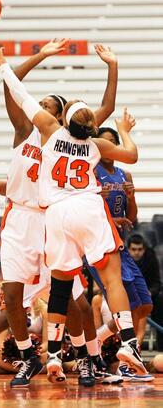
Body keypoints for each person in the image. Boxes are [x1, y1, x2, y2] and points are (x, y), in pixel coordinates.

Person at [0, 39, 119, 388]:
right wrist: (38, 55)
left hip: (53, 221)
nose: (37, 105)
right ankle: (27, 359)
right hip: (20, 220)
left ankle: (90, 358)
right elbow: (12, 84)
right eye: (37, 102)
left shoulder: (68, 138)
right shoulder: (24, 132)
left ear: (58, 115)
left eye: (46, 105)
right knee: (12, 297)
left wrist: (111, 66)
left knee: (76, 304)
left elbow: (106, 108)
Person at [0, 34, 147, 385]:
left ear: (59, 116)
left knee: (62, 291)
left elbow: (18, 91)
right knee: (109, 278)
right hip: (81, 208)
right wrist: (122, 124)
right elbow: (131, 154)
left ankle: (59, 354)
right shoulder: (93, 143)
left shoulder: (48, 131)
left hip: (54, 214)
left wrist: (1, 61)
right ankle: (127, 343)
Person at [86, 128, 153, 381]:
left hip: (121, 247)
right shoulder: (90, 173)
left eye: (113, 141)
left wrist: (131, 196)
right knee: (132, 305)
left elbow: (132, 216)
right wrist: (100, 203)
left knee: (145, 304)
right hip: (102, 247)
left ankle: (96, 342)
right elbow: (89, 217)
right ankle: (126, 362)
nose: (109, 145)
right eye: (105, 141)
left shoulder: (125, 173)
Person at [128, 233, 163, 351]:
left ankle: (161, 345)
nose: (137, 252)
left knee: (160, 300)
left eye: (139, 249)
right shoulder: (123, 259)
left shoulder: (151, 258)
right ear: (128, 249)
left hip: (147, 296)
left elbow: (157, 282)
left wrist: (150, 292)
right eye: (133, 249)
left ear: (144, 249)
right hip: (127, 295)